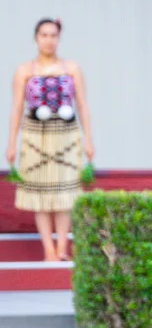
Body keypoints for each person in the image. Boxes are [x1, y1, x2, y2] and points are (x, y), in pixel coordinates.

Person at [6, 18, 95, 262]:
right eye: (44, 35)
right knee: (41, 196)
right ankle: (49, 250)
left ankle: (63, 247)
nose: (49, 40)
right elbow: (16, 108)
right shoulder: (25, 70)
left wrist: (88, 139)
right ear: (36, 38)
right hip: (35, 137)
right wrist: (11, 142)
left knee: (64, 194)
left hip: (66, 137)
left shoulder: (72, 68)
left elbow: (82, 104)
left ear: (59, 38)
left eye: (53, 35)